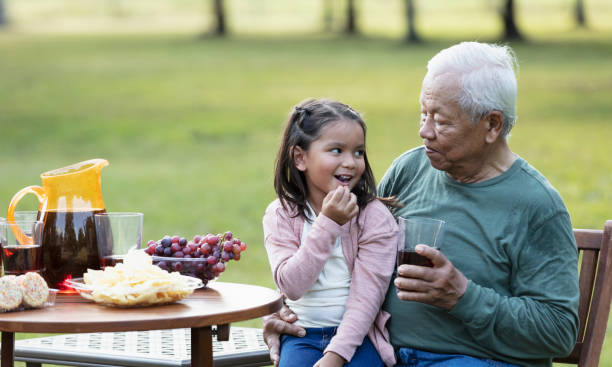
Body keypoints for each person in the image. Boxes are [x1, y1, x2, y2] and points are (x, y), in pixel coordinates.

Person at [263, 42, 580, 367]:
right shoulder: (409, 170)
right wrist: (289, 314)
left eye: (440, 121)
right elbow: (351, 261)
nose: (423, 131)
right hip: (382, 355)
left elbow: (558, 331)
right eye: (423, 113)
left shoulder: (536, 205)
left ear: (492, 125)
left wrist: (463, 296)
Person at [263, 98, 399, 367]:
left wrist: (335, 357)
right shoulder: (281, 214)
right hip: (302, 336)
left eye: (358, 152)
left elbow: (367, 298)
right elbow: (291, 285)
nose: (351, 162)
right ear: (300, 158)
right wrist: (328, 223)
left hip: (359, 338)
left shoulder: (374, 217)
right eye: (336, 150)